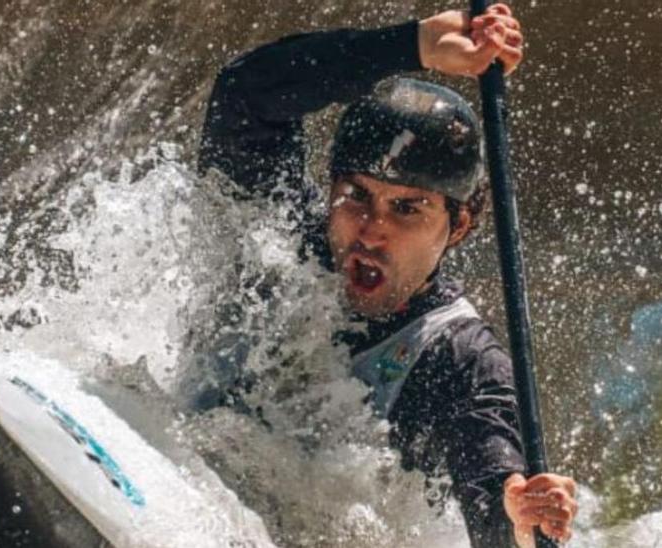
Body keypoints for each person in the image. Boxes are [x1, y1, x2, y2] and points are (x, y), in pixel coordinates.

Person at [195, 4, 578, 547]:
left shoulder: (460, 359)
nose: (372, 231)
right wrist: (416, 45)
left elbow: (490, 487)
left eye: (407, 209)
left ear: (459, 224)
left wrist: (517, 516)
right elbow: (246, 92)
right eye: (356, 196)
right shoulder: (279, 231)